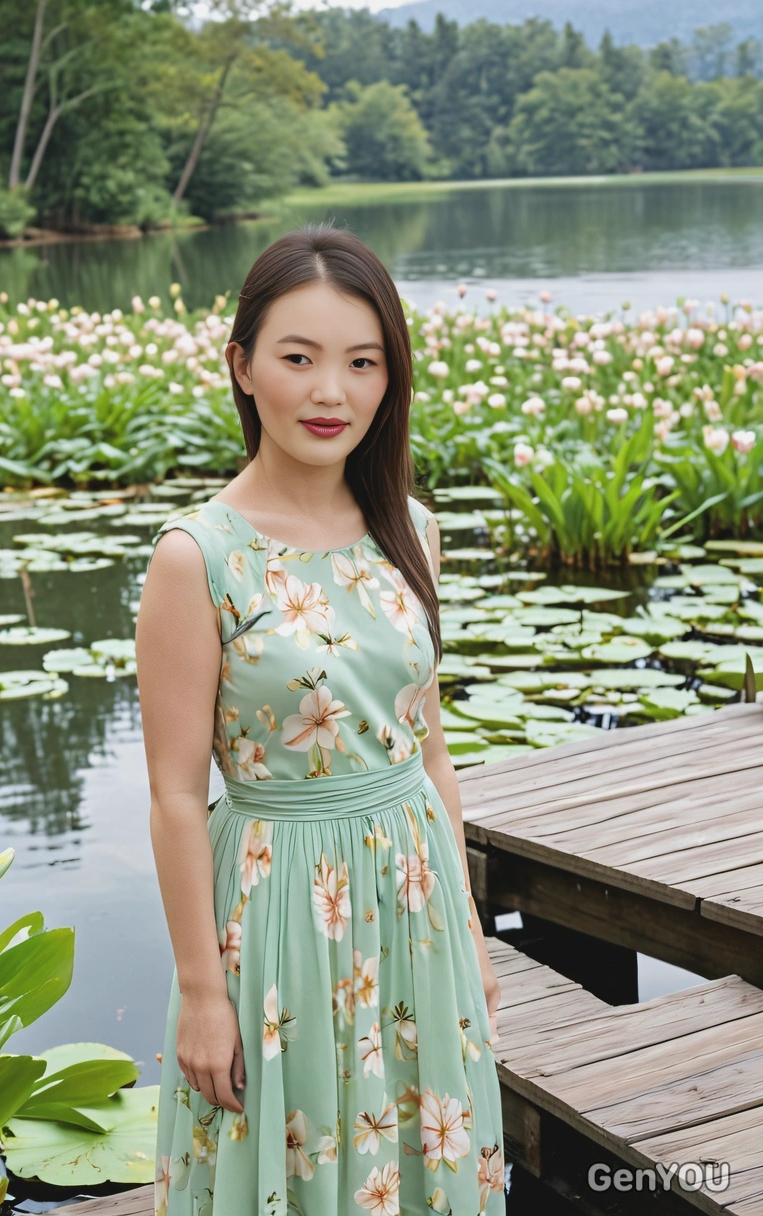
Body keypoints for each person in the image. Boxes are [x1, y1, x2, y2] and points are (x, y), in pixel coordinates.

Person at [136, 221, 506, 1216]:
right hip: (277, 906)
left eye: (361, 362)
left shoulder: (411, 528)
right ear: (243, 367)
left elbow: (427, 745)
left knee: (420, 1152)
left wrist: (468, 924)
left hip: (414, 887)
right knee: (294, 1168)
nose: (329, 392)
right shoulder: (198, 557)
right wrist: (202, 989)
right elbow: (174, 793)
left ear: (390, 378)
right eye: (297, 358)